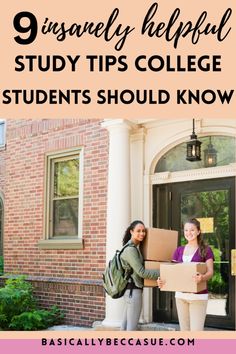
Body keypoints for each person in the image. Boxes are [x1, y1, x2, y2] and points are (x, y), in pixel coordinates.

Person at [157, 218, 214, 331]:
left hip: (198, 296)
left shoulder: (206, 250)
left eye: (192, 230)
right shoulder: (178, 250)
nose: (189, 233)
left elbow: (210, 272)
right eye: (186, 230)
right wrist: (162, 280)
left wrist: (202, 278)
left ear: (198, 231)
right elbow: (172, 273)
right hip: (181, 297)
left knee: (196, 333)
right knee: (185, 332)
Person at [120, 220, 160, 331]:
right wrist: (163, 272)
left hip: (130, 292)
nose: (142, 233)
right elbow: (142, 272)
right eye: (138, 231)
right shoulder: (130, 250)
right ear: (131, 232)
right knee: (131, 329)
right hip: (133, 292)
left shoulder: (134, 248)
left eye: (143, 231)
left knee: (124, 327)